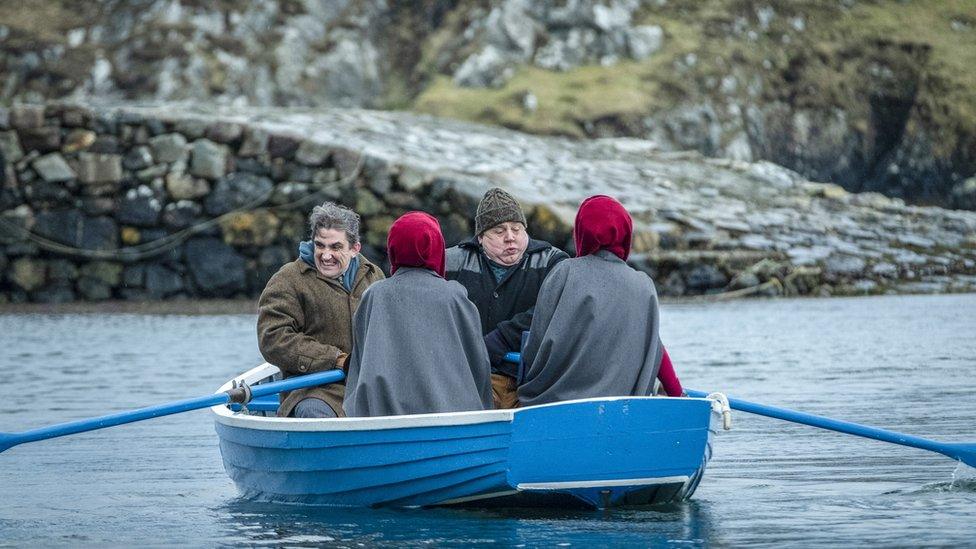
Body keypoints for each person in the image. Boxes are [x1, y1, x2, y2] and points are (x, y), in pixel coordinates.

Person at [518, 195, 683, 406]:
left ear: (581, 233)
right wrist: (677, 394)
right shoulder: (644, 285)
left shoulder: (564, 272)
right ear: (625, 235)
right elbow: (655, 348)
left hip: (555, 404)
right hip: (623, 408)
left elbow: (535, 347)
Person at [343, 212, 493, 417]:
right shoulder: (454, 296)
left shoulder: (374, 295)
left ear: (393, 250)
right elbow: (478, 365)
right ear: (436, 248)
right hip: (453, 421)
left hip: (383, 422)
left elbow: (360, 365)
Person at [257, 201, 385, 418]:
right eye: (320, 245)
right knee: (313, 413)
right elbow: (273, 339)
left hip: (369, 389)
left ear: (355, 249)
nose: (325, 255)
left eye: (335, 247)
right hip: (314, 390)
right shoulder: (288, 280)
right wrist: (335, 359)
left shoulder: (375, 277)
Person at [445, 187, 568, 408]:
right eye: (499, 231)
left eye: (516, 229)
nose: (510, 238)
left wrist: (502, 338)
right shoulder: (451, 262)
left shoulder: (554, 262)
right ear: (481, 237)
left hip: (533, 383)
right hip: (469, 379)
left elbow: (555, 308)